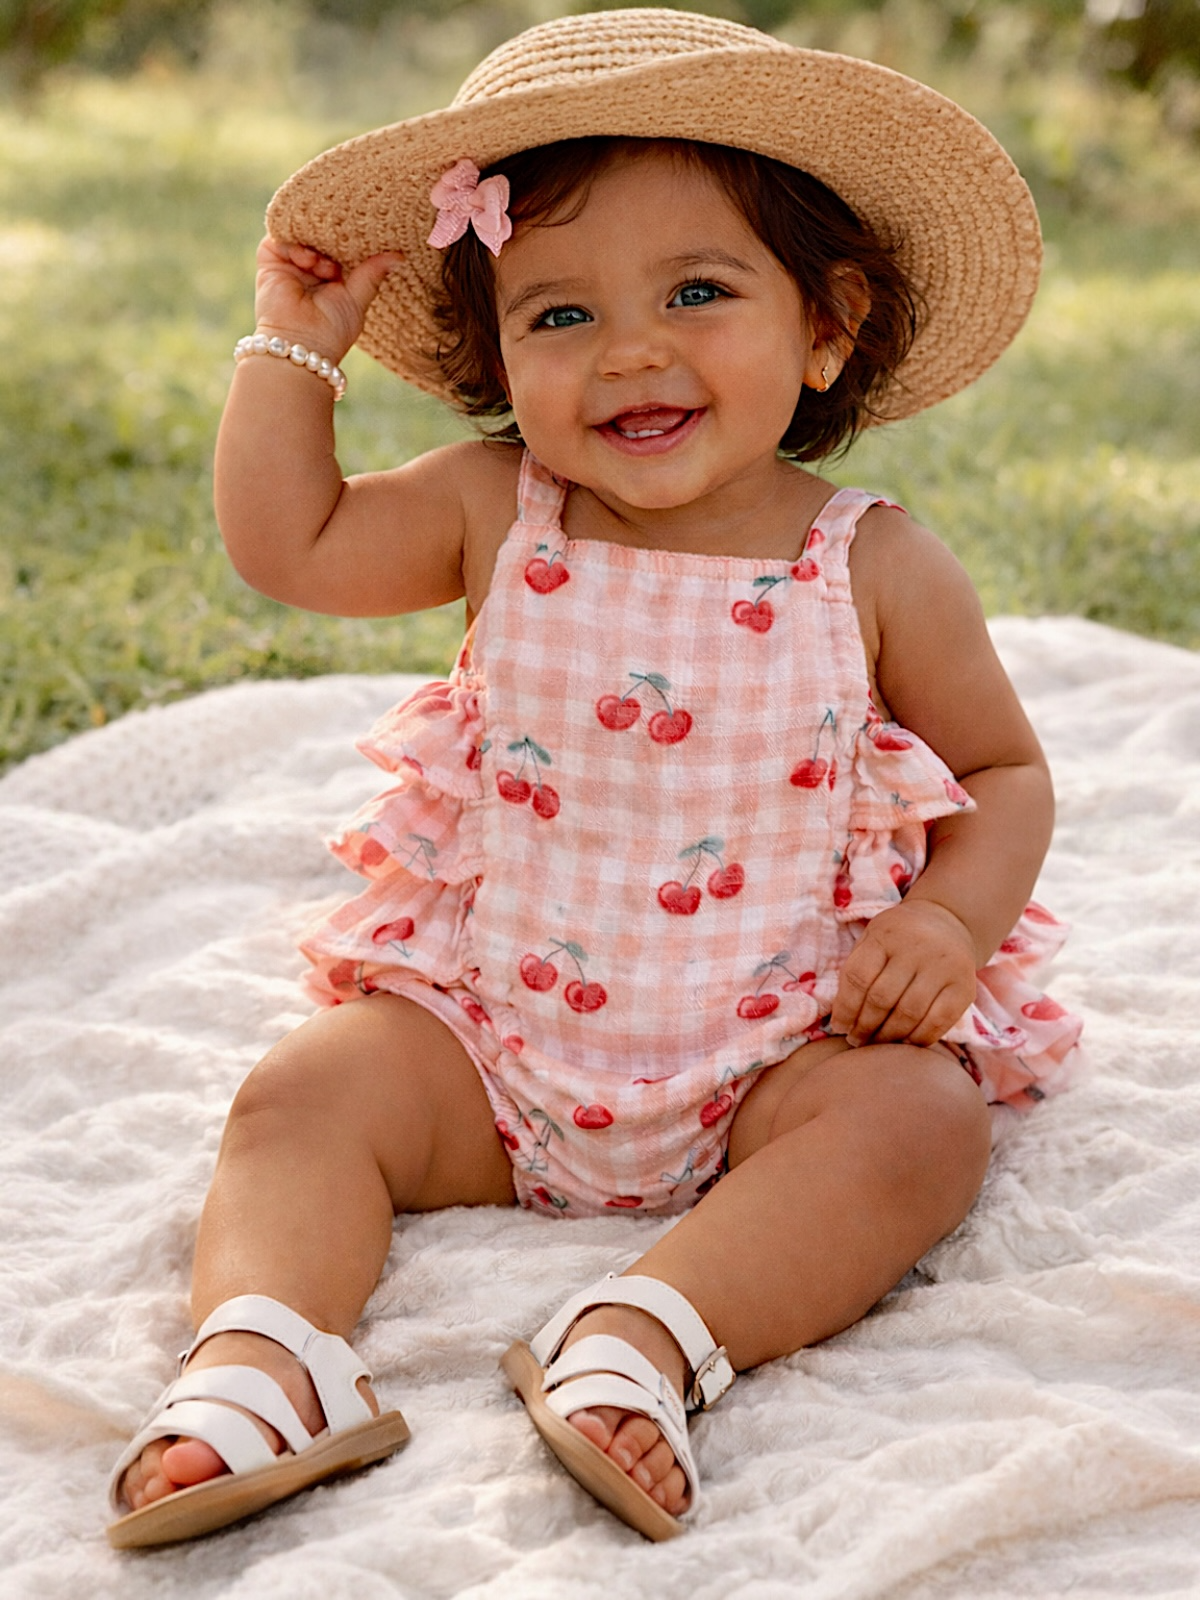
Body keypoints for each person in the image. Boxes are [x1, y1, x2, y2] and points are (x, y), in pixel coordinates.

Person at [106, 6, 1084, 1549]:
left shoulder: (871, 561)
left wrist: (951, 927)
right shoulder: (502, 505)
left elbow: (1005, 770)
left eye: (698, 292)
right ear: (499, 353)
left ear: (826, 324)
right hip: (495, 1054)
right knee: (311, 1089)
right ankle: (263, 1358)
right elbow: (283, 544)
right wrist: (295, 340)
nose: (629, 350)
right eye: (558, 315)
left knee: (919, 1126)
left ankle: (646, 1333)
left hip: (779, 1051)